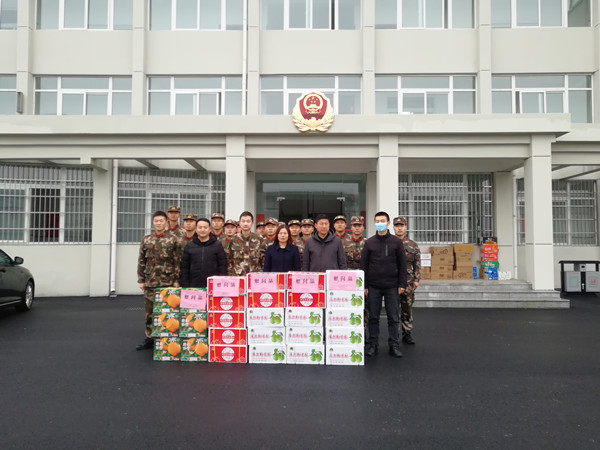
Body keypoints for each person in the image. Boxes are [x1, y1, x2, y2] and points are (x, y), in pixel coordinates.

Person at [360, 211, 407, 358]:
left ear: (388, 223)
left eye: (382, 221)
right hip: (373, 286)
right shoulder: (369, 242)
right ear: (374, 223)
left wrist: (402, 284)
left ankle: (394, 345)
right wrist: (364, 285)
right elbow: (364, 266)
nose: (380, 223)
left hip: (392, 285)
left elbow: (402, 265)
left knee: (393, 317)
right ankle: (373, 345)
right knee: (373, 317)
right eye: (377, 221)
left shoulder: (396, 242)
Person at [136, 211, 182, 350]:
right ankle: (150, 337)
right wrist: (141, 279)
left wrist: (176, 280)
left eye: (161, 221)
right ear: (153, 222)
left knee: (168, 312)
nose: (158, 223)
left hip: (168, 281)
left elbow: (177, 261)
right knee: (150, 312)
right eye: (156, 221)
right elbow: (142, 260)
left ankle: (166, 338)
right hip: (150, 281)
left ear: (166, 222)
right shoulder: (147, 239)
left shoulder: (174, 239)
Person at [393, 216, 421, 345]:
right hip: (393, 280)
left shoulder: (412, 245)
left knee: (407, 308)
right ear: (393, 227)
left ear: (406, 227)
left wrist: (416, 279)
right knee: (393, 309)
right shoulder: (390, 242)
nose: (399, 228)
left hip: (408, 281)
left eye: (402, 226)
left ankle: (407, 333)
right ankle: (394, 334)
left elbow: (417, 263)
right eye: (397, 226)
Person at [180, 218, 227, 288]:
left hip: (213, 285)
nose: (202, 230)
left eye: (205, 227)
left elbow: (222, 266)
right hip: (194, 285)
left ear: (209, 229)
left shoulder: (217, 245)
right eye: (200, 227)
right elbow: (185, 268)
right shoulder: (189, 246)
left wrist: (221, 282)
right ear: (196, 229)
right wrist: (185, 285)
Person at [226, 211, 267, 276]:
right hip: (237, 276)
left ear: (252, 223)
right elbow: (228, 259)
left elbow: (263, 260)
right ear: (239, 223)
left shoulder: (259, 239)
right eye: (243, 221)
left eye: (248, 221)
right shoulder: (233, 239)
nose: (245, 224)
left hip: (254, 276)